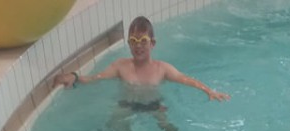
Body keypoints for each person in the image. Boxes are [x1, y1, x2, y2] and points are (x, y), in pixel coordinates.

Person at [53, 16, 230, 102]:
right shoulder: (121, 66)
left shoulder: (162, 69)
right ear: (129, 44)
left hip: (154, 106)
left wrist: (208, 91)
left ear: (152, 43)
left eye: (143, 41)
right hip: (126, 106)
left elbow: (186, 80)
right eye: (133, 41)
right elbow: (95, 78)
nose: (138, 46)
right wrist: (75, 77)